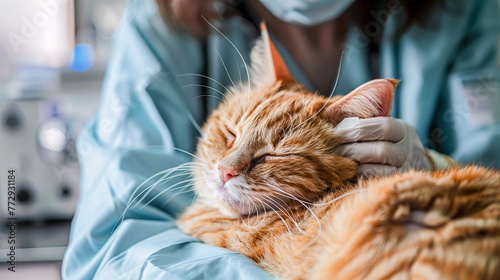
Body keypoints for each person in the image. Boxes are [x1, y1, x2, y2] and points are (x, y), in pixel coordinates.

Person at [62, 0, 500, 279]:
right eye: (232, 135)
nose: (230, 165)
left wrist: (436, 167)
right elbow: (111, 243)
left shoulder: (468, 11)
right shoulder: (161, 20)